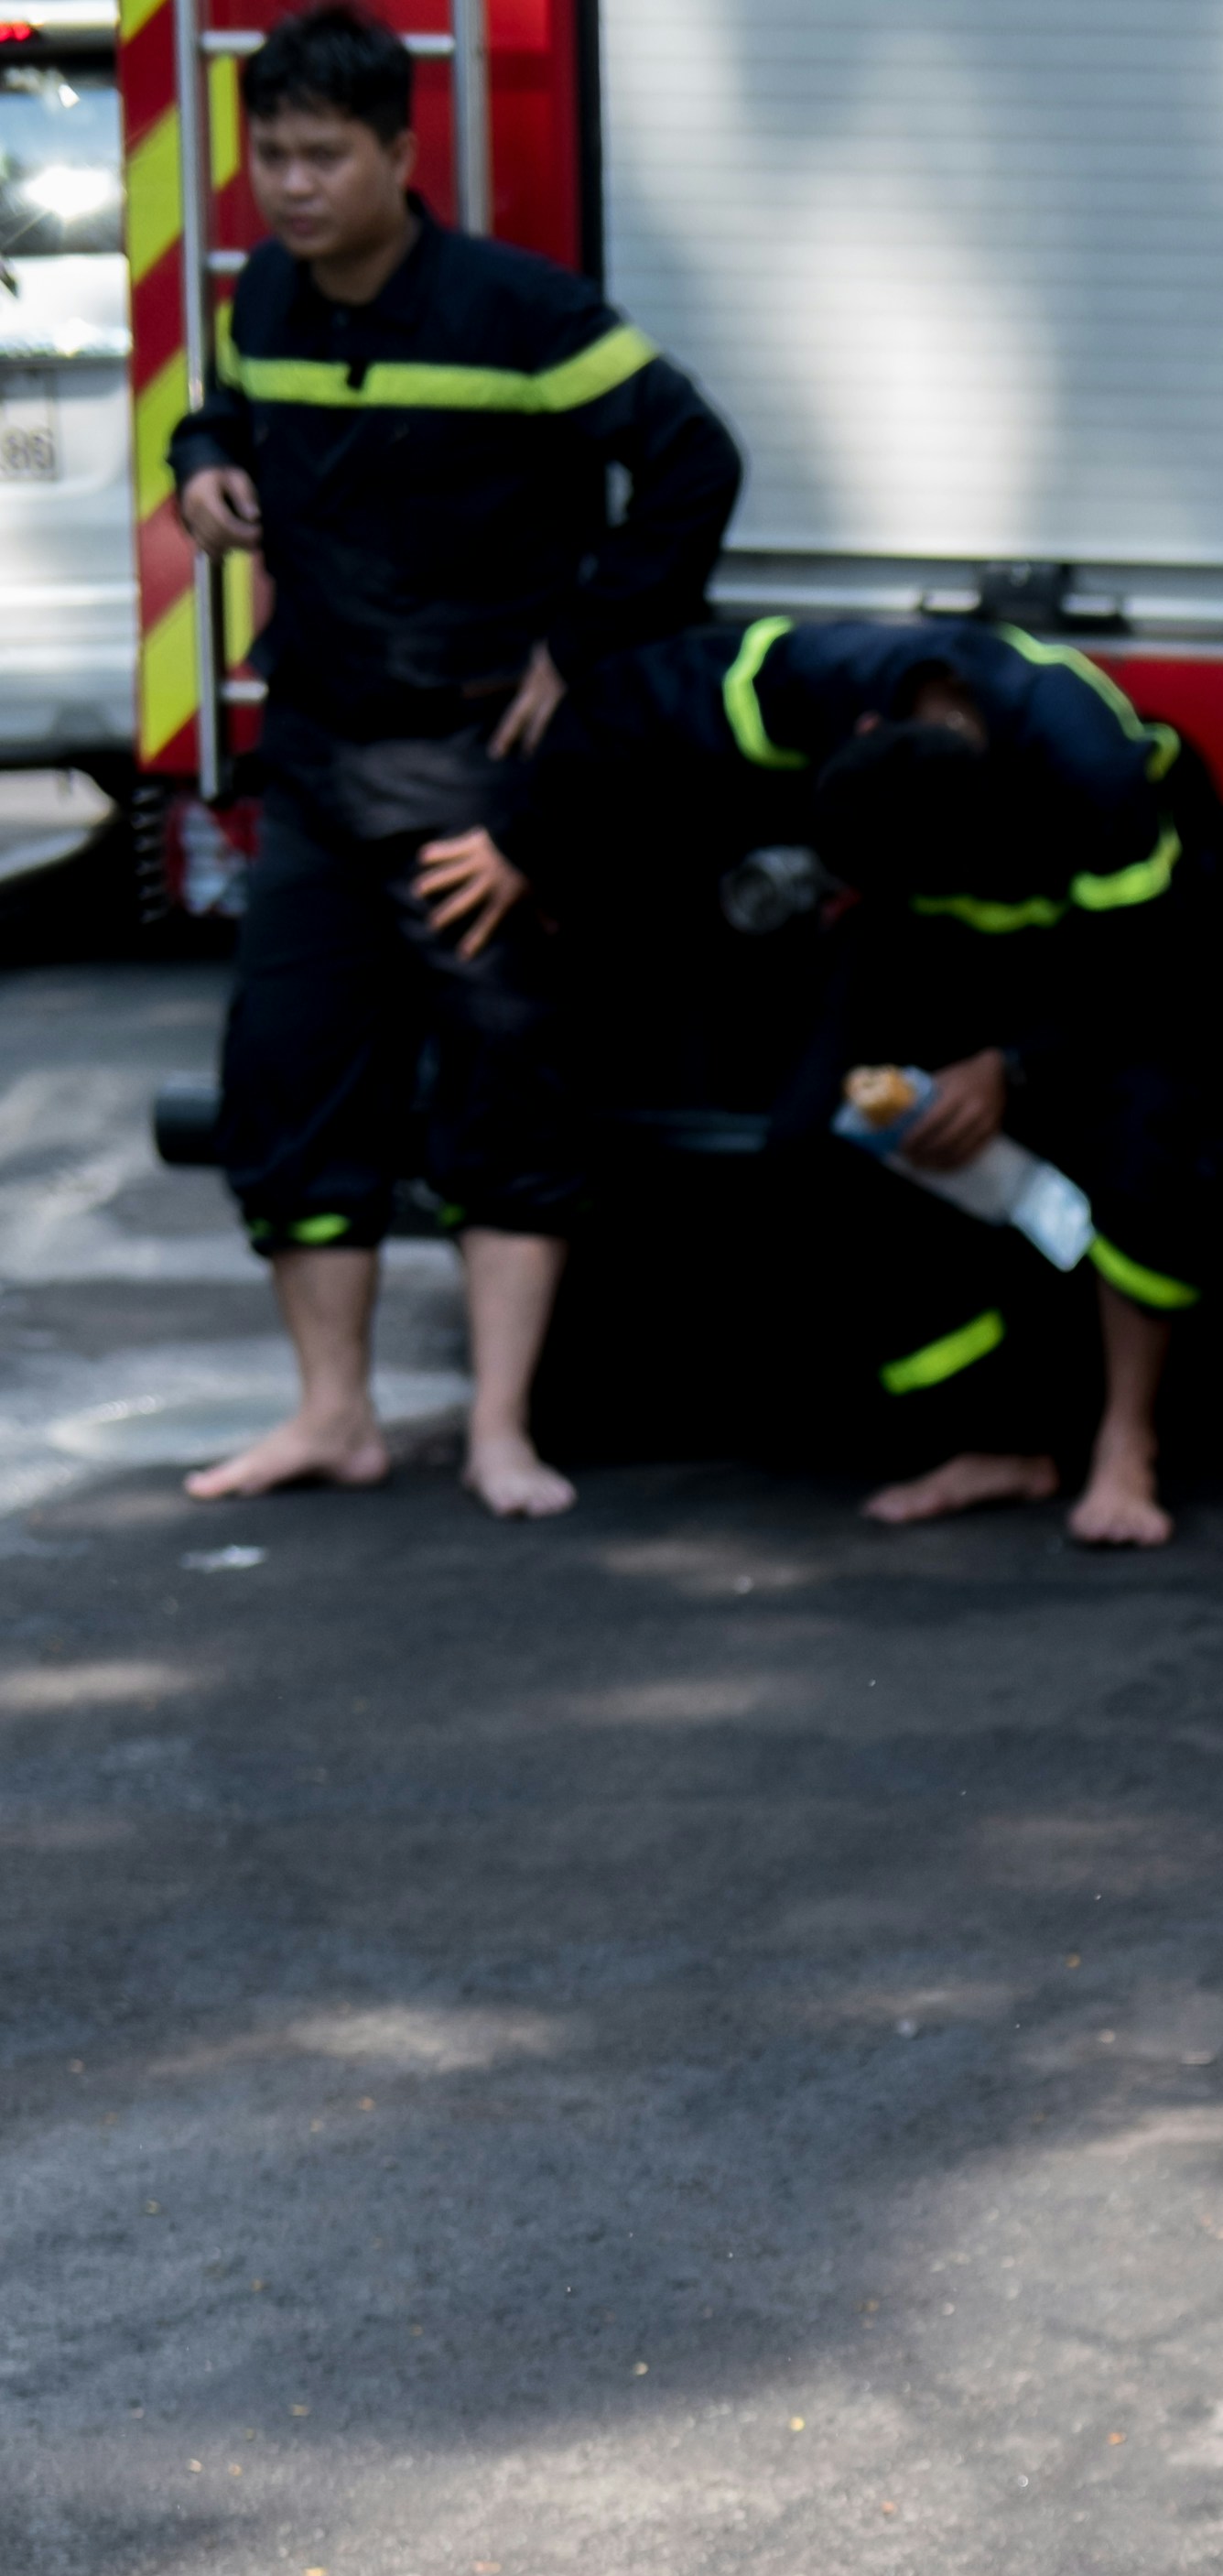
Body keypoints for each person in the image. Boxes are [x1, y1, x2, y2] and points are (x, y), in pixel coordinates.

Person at [168, 4, 739, 1516]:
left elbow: (692, 461)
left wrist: (590, 641)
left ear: (401, 155)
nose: (287, 187)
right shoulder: (269, 299)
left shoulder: (517, 311)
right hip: (315, 769)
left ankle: (497, 1431)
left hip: (471, 770)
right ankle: (333, 1417)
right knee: (286, 1090)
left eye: (320, 157)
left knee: (505, 1093)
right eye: (267, 157)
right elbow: (226, 412)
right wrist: (203, 465)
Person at [425, 613, 1205, 1547]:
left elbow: (1147, 969)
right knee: (813, 1142)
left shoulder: (1087, 761)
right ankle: (994, 1435)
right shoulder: (819, 678)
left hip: (1100, 958)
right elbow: (620, 702)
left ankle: (1126, 1449)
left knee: (1143, 1142)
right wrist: (525, 843)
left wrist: (1009, 1065)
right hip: (924, 941)